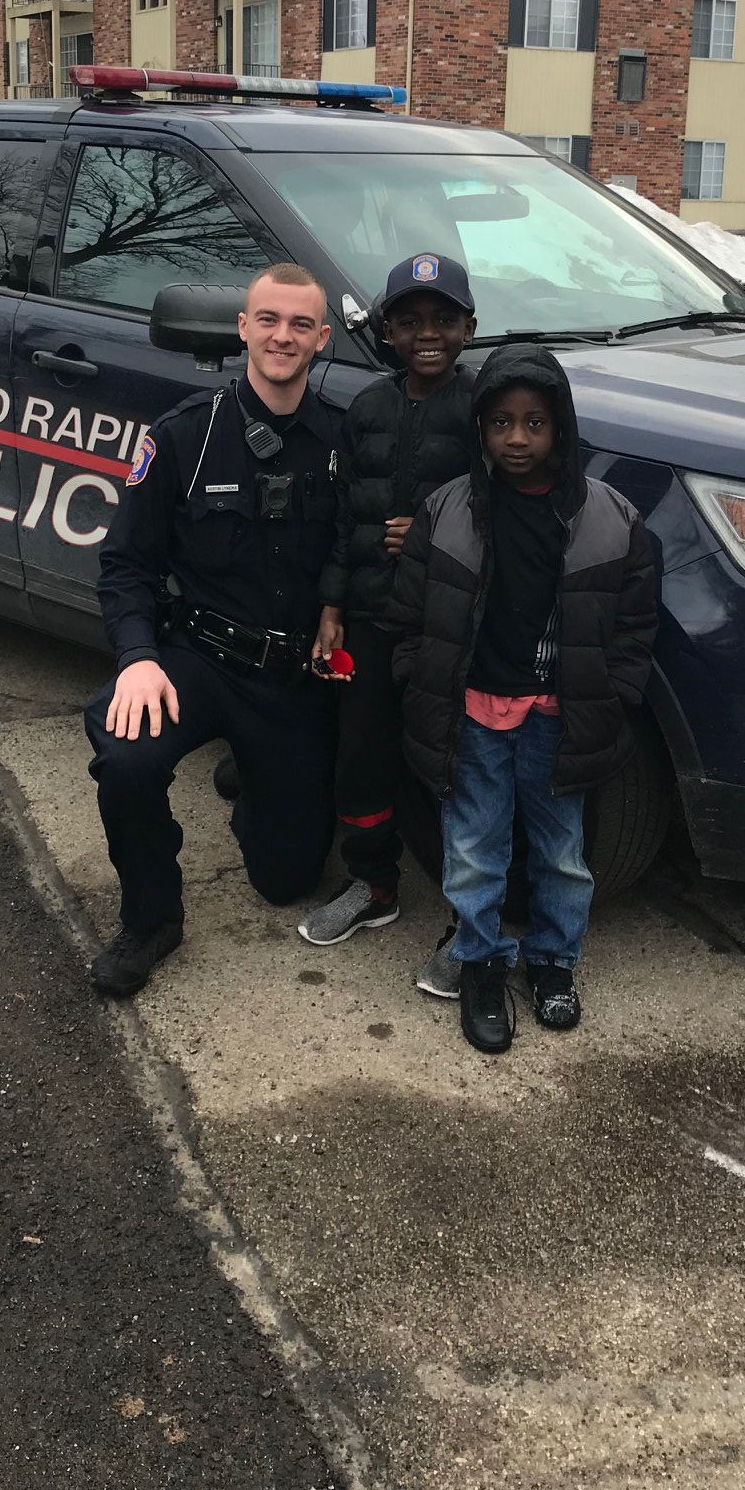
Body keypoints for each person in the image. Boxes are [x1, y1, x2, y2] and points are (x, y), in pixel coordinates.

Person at [387, 344, 658, 1054]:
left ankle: (552, 962)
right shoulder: (446, 512)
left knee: (562, 852)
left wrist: (617, 694)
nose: (517, 438)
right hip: (473, 713)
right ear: (480, 428)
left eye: (534, 423)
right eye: (501, 422)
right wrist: (416, 675)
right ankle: (479, 965)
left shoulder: (610, 519)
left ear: (560, 430)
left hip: (557, 720)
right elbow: (410, 613)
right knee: (474, 848)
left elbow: (634, 624)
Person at [85, 264, 341, 996]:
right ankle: (152, 917)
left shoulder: (341, 446)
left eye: (299, 325)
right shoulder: (184, 439)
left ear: (321, 339)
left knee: (286, 881)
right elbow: (125, 564)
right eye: (268, 320)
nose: (282, 337)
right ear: (243, 329)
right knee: (126, 756)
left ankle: (255, 779)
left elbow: (357, 554)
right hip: (200, 658)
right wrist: (137, 657)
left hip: (293, 681)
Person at [297, 252, 480, 973]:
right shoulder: (367, 409)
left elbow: (509, 514)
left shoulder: (483, 408)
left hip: (452, 625)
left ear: (469, 327)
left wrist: (435, 539)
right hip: (371, 617)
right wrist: (333, 606)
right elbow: (345, 523)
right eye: (408, 322)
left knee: (455, 766)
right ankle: (373, 883)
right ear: (387, 332)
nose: (425, 334)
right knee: (362, 756)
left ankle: (477, 913)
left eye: (442, 320)